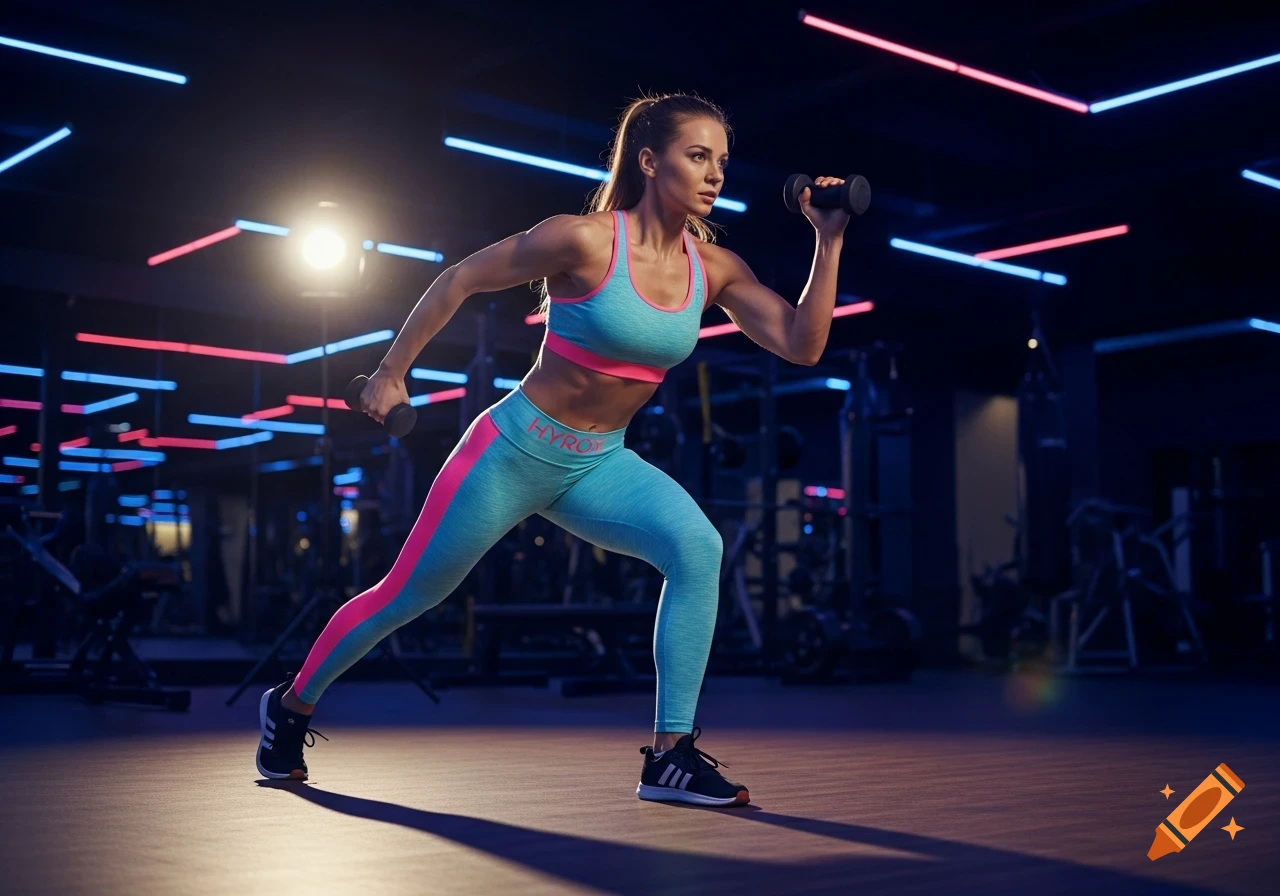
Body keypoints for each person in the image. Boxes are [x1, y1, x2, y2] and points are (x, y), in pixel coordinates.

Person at [256, 92, 851, 807]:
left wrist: (828, 240)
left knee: (698, 547)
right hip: (510, 452)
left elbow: (802, 344)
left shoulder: (714, 269)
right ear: (649, 161)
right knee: (407, 595)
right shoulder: (585, 240)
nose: (715, 173)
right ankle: (290, 706)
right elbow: (461, 278)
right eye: (697, 156)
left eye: (721, 160)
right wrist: (391, 371)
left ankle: (669, 757)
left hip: (599, 463)